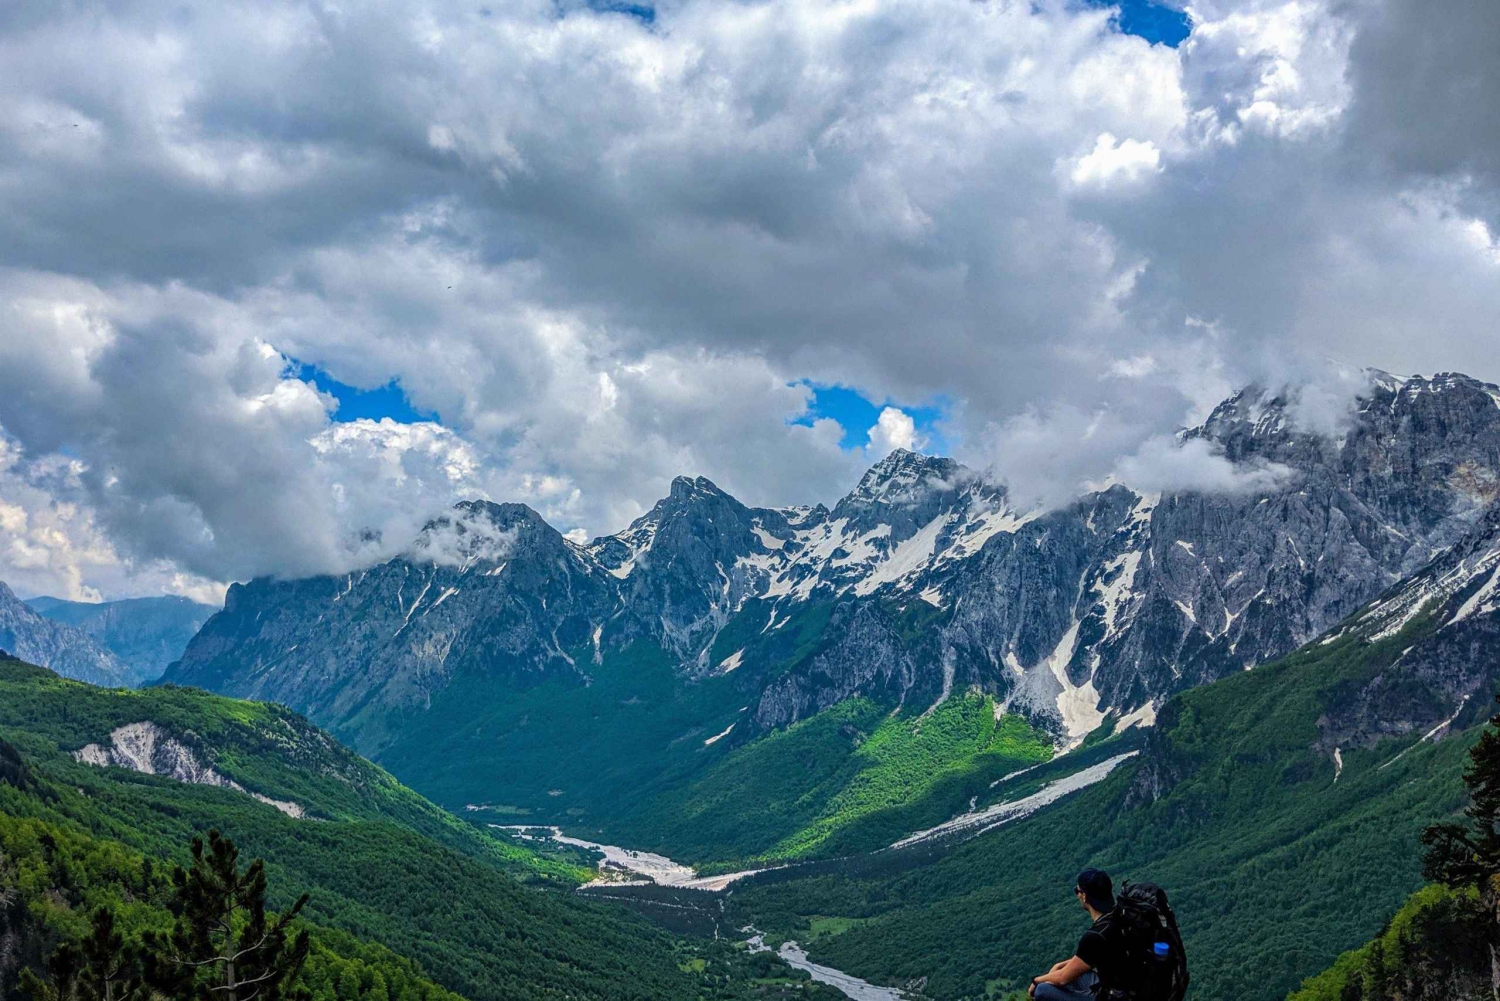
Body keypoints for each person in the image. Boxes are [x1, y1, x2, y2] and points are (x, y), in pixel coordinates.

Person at [1027, 868, 1123, 1000]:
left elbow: (1062, 979)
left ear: (1084, 896)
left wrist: (1036, 981)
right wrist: (1059, 966)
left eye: (1077, 890)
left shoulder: (1095, 936)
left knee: (1042, 990)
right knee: (1078, 974)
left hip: (1113, 997)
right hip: (1131, 990)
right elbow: (1087, 958)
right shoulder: (1120, 917)